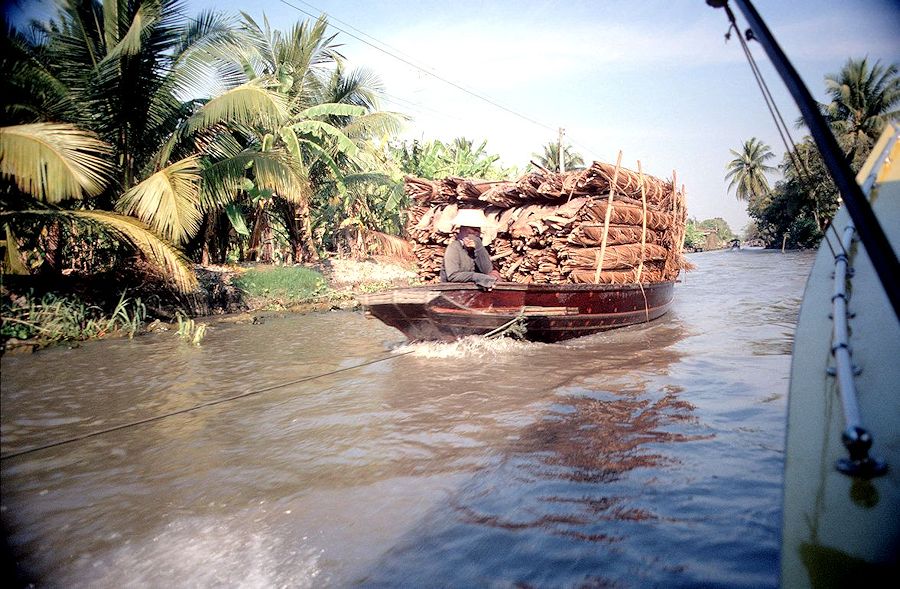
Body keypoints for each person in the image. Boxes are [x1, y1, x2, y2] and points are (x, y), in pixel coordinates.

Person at [440, 209, 502, 289]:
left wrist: (479, 247)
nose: (477, 234)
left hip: (472, 291)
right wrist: (476, 276)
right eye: (474, 230)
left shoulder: (476, 248)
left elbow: (488, 270)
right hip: (454, 291)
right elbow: (452, 276)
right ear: (464, 230)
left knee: (495, 274)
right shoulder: (454, 247)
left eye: (478, 231)